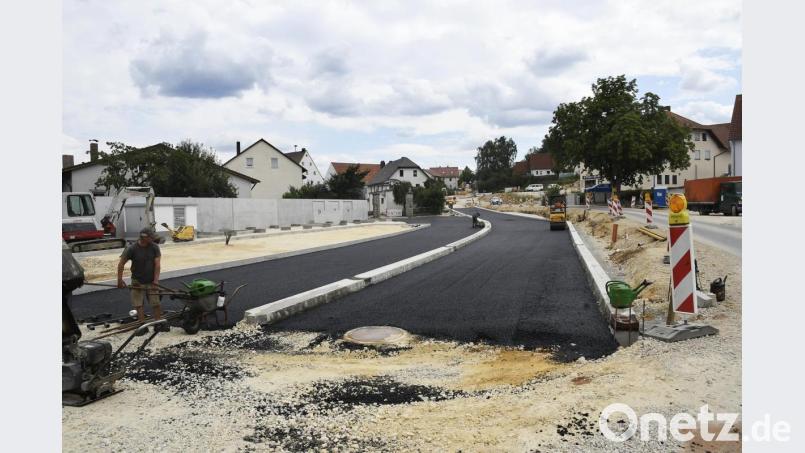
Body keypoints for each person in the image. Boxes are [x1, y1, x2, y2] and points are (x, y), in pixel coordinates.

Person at [117, 227, 162, 322]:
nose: (153, 239)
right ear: (144, 237)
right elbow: (121, 264)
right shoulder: (131, 249)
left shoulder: (154, 247)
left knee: (156, 303)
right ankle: (142, 324)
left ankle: (158, 322)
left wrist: (156, 280)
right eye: (151, 237)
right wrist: (119, 280)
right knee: (138, 304)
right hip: (137, 280)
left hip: (151, 280)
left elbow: (157, 265)